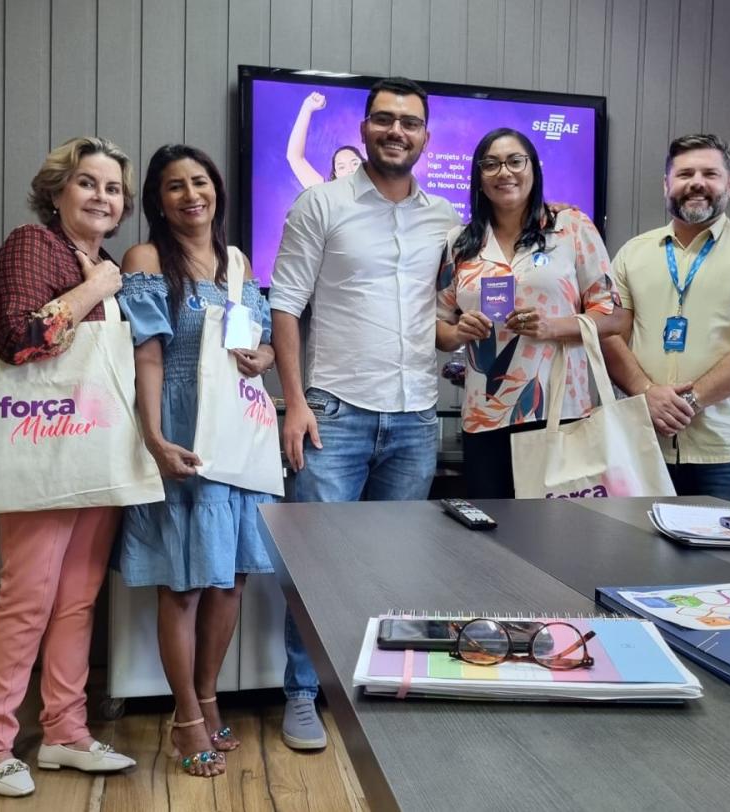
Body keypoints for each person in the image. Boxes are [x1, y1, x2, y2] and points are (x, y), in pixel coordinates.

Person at [270, 76, 461, 749]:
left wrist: (461, 331)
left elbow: (439, 317)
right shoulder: (320, 204)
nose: (396, 131)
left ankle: (374, 681)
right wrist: (294, 404)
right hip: (335, 410)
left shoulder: (445, 220)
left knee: (393, 564)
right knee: (317, 560)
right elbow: (285, 306)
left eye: (410, 122)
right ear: (366, 128)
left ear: (424, 138)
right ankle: (301, 691)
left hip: (415, 417)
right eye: (384, 119)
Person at [0, 136, 137, 797]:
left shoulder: (110, 262)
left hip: (93, 446)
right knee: (28, 596)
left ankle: (66, 731)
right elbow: (17, 340)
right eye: (88, 183)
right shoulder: (33, 247)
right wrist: (96, 286)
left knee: (76, 599)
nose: (101, 196)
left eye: (113, 188)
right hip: (43, 446)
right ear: (58, 192)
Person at [115, 144, 276, 778]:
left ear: (217, 191)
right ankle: (184, 717)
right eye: (175, 186)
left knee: (230, 578)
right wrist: (154, 438)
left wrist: (263, 357)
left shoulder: (238, 262)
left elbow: (254, 345)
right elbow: (147, 356)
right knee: (181, 584)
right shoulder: (147, 259)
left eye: (200, 182)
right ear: (158, 199)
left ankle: (208, 697)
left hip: (238, 438)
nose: (191, 195)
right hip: (183, 432)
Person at [601, 133, 730, 506]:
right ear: (666, 184)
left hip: (725, 453)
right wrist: (645, 393)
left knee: (722, 564)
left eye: (711, 173)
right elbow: (611, 335)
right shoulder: (631, 254)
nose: (697, 183)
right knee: (638, 561)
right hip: (645, 443)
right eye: (685, 173)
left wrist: (688, 400)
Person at [436, 128, 621, 497]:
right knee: (490, 536)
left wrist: (553, 326)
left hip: (558, 411)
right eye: (490, 164)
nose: (504, 172)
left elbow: (614, 316)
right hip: (483, 417)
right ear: (478, 178)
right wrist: (458, 333)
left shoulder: (571, 228)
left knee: (554, 538)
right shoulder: (459, 243)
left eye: (515, 161)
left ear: (533, 168)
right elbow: (438, 323)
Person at [286, 91, 363, 188]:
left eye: (355, 163)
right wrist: (307, 108)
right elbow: (294, 157)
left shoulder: (380, 193)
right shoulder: (327, 196)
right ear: (336, 174)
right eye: (341, 167)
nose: (350, 170)